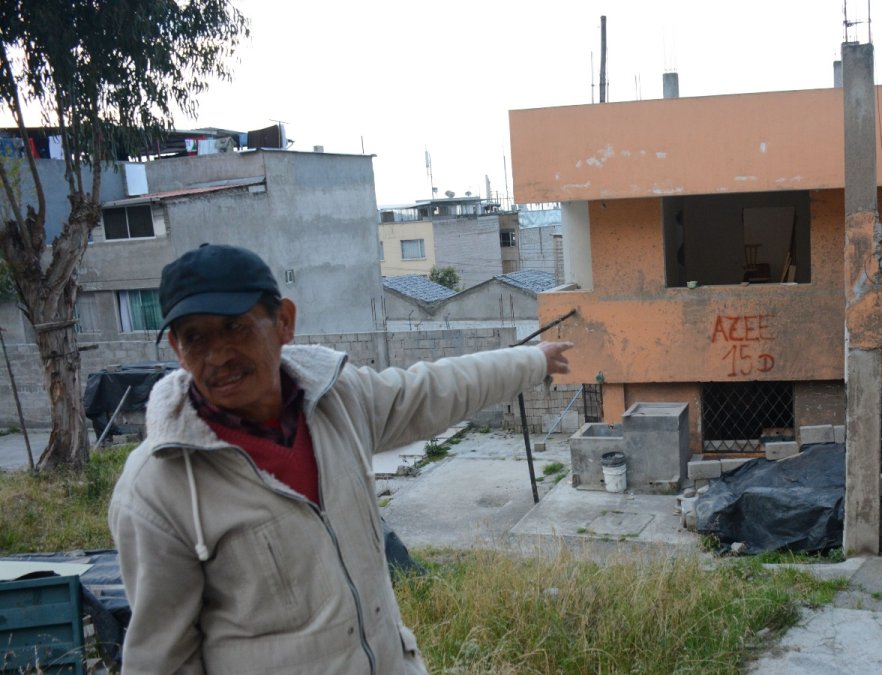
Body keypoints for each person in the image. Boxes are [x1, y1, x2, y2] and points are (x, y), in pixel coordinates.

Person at [108, 244, 572, 674]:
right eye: (195, 338)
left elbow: (433, 388)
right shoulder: (157, 486)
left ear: (284, 322)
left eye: (234, 327)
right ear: (177, 350)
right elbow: (161, 659)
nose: (217, 356)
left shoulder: (337, 400)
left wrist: (532, 362)